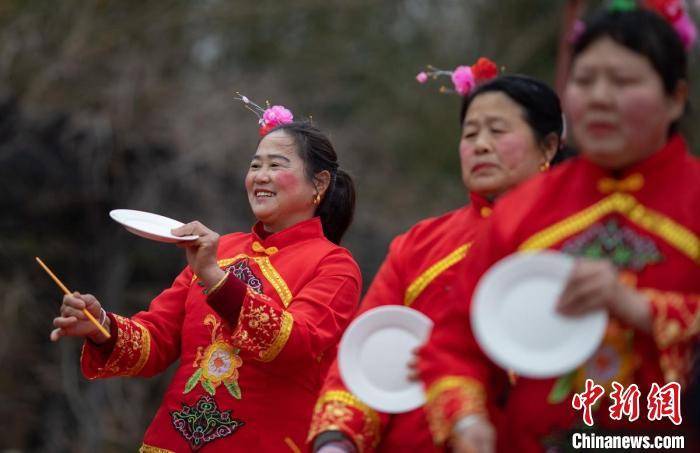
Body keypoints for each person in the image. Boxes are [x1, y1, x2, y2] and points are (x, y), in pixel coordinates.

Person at [419, 7, 700, 453]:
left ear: (676, 97)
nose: (600, 98)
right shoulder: (524, 210)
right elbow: (454, 343)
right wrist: (468, 422)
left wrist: (643, 309)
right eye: (585, 81)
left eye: (624, 82)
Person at [50, 119, 363, 452]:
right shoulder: (221, 249)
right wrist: (102, 328)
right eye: (255, 165)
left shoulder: (334, 266)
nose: (260, 176)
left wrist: (216, 279)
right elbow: (155, 341)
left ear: (320, 182)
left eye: (276, 165)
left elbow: (295, 343)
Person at [307, 74, 565, 452]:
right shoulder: (421, 243)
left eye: (497, 130)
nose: (480, 145)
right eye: (470, 133)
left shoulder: (577, 240)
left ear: (548, 146)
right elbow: (366, 356)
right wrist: (337, 443)